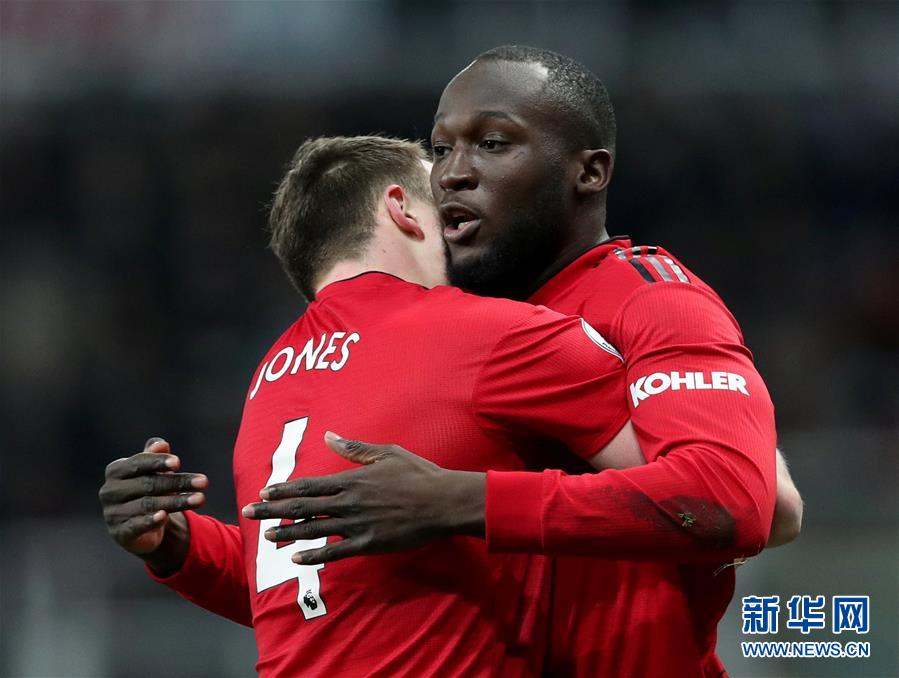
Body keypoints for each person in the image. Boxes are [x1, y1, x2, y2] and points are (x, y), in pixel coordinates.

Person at [247, 46, 803, 677]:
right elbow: (355, 595)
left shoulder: (650, 299)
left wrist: (464, 500)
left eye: (492, 143)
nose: (452, 174)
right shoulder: (460, 331)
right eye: (440, 149)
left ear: (588, 172)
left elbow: (745, 505)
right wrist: (182, 552)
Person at [100, 135, 650, 676]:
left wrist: (175, 542)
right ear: (401, 207)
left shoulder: (269, 376)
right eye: (445, 201)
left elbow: (315, 591)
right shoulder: (489, 333)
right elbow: (680, 493)